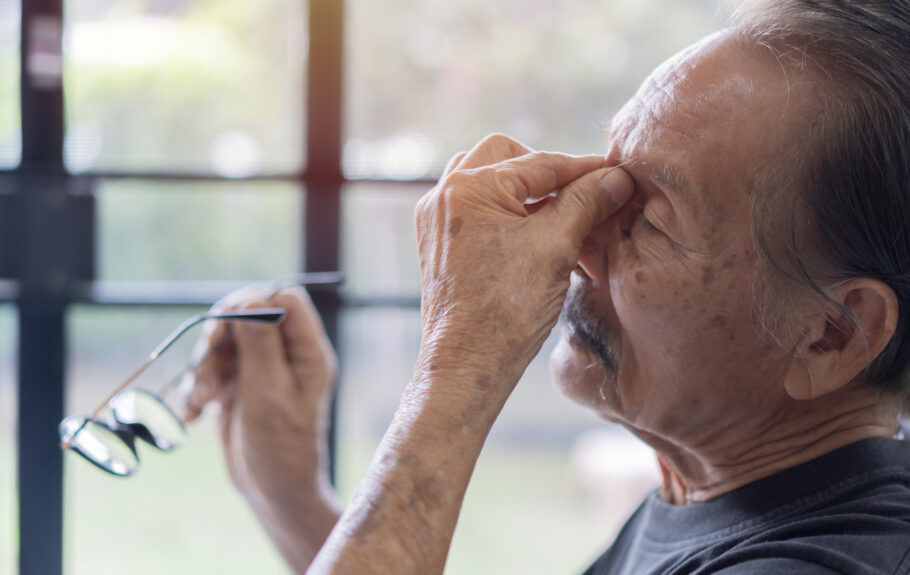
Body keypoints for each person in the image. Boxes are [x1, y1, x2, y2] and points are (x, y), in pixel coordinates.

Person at [182, 0, 910, 573]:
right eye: (603, 182)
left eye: (647, 222)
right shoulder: (725, 491)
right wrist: (292, 499)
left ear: (832, 333)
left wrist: (460, 359)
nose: (575, 240)